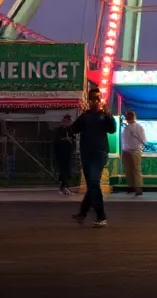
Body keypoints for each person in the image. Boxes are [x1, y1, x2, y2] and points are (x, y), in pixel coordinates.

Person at [70, 88, 116, 227]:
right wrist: (80, 114)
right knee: (91, 185)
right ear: (89, 101)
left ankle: (101, 216)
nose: (95, 102)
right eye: (92, 99)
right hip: (86, 154)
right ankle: (83, 212)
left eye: (97, 99)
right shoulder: (85, 116)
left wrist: (109, 116)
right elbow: (73, 129)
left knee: (94, 183)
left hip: (99, 153)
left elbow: (112, 129)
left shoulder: (104, 116)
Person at [121, 110, 146, 196]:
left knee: (136, 170)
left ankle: (138, 189)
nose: (129, 118)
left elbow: (143, 140)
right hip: (125, 151)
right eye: (128, 116)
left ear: (134, 117)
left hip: (135, 150)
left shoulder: (138, 127)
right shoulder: (126, 128)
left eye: (130, 116)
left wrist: (139, 148)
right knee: (128, 170)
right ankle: (130, 187)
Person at [53, 114, 75, 195]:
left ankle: (66, 186)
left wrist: (71, 140)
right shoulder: (58, 130)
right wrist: (64, 140)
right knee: (63, 170)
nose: (67, 123)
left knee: (68, 169)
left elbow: (73, 139)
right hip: (61, 153)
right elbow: (56, 141)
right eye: (65, 121)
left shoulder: (71, 130)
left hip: (68, 153)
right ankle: (63, 186)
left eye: (68, 121)